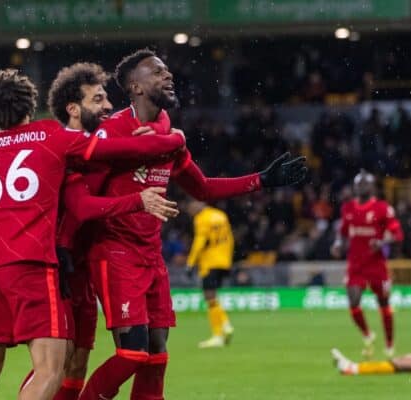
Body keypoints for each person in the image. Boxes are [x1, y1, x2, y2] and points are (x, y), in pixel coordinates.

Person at [79, 48, 307, 400]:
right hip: (115, 253)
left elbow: (201, 187)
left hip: (151, 257)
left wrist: (261, 180)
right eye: (156, 73)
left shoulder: (169, 133)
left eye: (167, 70)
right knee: (132, 353)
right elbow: (84, 205)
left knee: (157, 356)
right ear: (136, 87)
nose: (167, 76)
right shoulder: (114, 132)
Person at [0, 69, 186, 400]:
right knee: (51, 370)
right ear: (28, 104)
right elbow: (115, 152)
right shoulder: (51, 135)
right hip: (32, 265)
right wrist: (175, 138)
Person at [331, 170, 403, 358]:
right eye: (358, 184)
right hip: (356, 265)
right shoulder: (348, 208)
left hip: (376, 265)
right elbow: (343, 232)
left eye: (365, 184)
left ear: (372, 187)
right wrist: (338, 244)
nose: (361, 187)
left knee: (383, 303)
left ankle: (389, 345)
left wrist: (382, 242)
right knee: (353, 302)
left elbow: (396, 234)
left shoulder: (382, 208)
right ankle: (368, 334)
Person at [185, 200, 235, 349]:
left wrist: (190, 263)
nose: (191, 213)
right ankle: (225, 325)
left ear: (197, 206)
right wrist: (228, 259)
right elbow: (230, 239)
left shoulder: (201, 219)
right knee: (213, 296)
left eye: (191, 210)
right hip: (224, 260)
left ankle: (219, 334)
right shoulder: (221, 215)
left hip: (209, 262)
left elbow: (200, 241)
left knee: (209, 296)